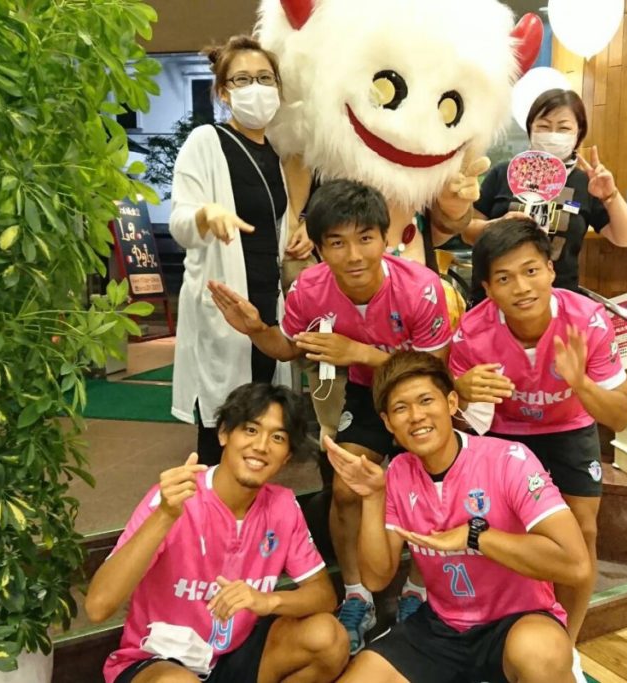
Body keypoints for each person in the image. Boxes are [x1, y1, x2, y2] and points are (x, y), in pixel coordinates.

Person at [208, 179, 453, 654]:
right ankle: (358, 595)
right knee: (344, 488)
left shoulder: (421, 289)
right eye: (337, 243)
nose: (354, 255)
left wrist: (359, 351)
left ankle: (419, 591)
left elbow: (434, 370)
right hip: (361, 393)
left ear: (384, 238)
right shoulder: (309, 288)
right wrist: (256, 329)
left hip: (419, 390)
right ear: (319, 248)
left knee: (431, 481)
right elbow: (288, 346)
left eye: (365, 238)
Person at [325, 351, 590, 683]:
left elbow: (576, 565)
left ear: (451, 402)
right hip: (442, 628)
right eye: (401, 408)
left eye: (426, 400)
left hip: (517, 623)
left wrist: (476, 536)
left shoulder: (509, 460)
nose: (416, 416)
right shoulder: (398, 474)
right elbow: (376, 579)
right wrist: (372, 498)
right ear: (388, 423)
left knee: (541, 653)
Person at [87, 383, 348, 683]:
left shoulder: (283, 506)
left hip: (233, 655)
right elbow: (97, 607)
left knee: (328, 638)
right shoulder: (175, 497)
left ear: (287, 456)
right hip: (159, 662)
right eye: (250, 430)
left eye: (278, 437)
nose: (261, 446)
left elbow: (323, 596)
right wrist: (164, 516)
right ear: (224, 433)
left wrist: (268, 601)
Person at [450, 219, 627, 642]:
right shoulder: (472, 334)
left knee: (583, 531)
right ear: (487, 288)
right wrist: (460, 391)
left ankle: (566, 643)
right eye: (504, 278)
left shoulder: (587, 321)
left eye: (531, 270)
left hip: (569, 427)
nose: (521, 287)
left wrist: (581, 384)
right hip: (503, 434)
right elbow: (458, 426)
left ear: (551, 270)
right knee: (499, 532)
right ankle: (499, 635)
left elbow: (621, 417)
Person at [168, 35, 314, 466]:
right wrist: (206, 214)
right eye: (243, 79)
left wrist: (299, 230)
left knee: (262, 423)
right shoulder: (206, 142)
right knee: (225, 425)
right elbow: (180, 222)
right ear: (224, 91)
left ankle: (254, 506)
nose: (256, 88)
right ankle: (212, 503)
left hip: (266, 306)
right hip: (225, 307)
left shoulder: (275, 155)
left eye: (265, 79)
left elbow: (276, 224)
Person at [468, 88, 627, 292]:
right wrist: (497, 227)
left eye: (563, 128)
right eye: (543, 126)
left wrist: (610, 196)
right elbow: (467, 231)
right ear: (530, 129)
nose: (552, 135)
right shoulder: (504, 173)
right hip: (497, 295)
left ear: (579, 133)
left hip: (559, 298)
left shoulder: (587, 183)